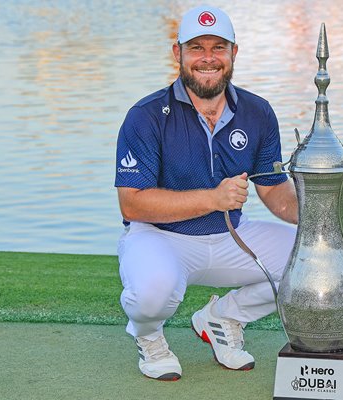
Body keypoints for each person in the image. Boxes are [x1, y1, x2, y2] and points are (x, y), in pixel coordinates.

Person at [114, 5, 298, 381]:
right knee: (152, 293)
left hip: (231, 234)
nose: (208, 58)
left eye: (219, 47)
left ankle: (222, 318)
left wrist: (326, 215)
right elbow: (132, 202)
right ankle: (149, 337)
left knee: (315, 261)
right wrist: (212, 199)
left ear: (234, 53)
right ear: (178, 53)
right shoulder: (146, 115)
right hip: (160, 237)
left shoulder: (258, 112)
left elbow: (274, 190)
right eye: (197, 47)